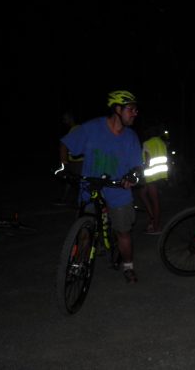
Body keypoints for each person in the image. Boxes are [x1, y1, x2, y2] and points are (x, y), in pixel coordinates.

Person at [59, 90, 142, 283]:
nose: (135, 113)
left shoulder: (131, 137)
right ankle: (78, 264)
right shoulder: (92, 128)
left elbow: (137, 166)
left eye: (136, 110)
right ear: (117, 109)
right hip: (90, 186)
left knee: (123, 231)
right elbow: (65, 144)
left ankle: (128, 266)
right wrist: (64, 166)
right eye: (131, 109)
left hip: (118, 189)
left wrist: (133, 176)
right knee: (84, 229)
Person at [138, 124, 169, 235]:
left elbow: (147, 162)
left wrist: (140, 172)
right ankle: (152, 218)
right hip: (161, 174)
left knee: (154, 201)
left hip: (151, 175)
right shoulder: (162, 143)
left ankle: (156, 227)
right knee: (142, 193)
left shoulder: (147, 143)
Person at [55, 112, 84, 206]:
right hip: (74, 160)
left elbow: (67, 144)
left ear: (71, 118)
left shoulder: (76, 129)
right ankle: (65, 199)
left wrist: (64, 159)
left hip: (79, 161)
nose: (64, 121)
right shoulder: (74, 129)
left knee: (77, 182)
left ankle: (78, 201)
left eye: (65, 118)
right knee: (70, 180)